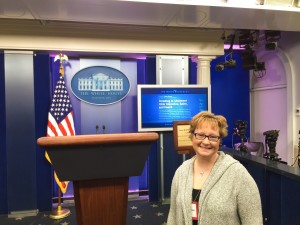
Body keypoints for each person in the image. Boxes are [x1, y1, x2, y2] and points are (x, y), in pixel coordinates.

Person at [167, 111, 263, 225]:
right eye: (200, 135)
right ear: (192, 136)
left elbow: (253, 221)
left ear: (219, 140)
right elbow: (173, 216)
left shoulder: (238, 174)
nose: (206, 141)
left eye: (212, 137)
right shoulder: (181, 172)